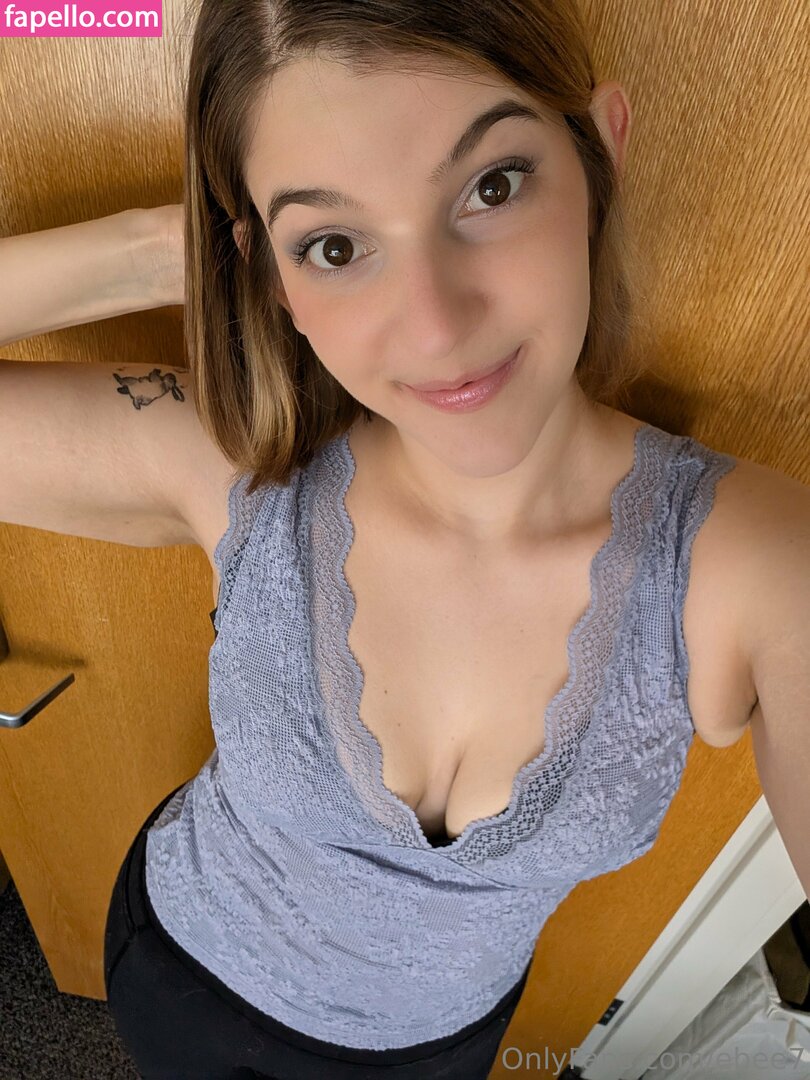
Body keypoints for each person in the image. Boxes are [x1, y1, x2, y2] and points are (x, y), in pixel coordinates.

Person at [3, 0, 806, 1077]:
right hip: (182, 970)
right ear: (271, 272)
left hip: (434, 1046)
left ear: (600, 156)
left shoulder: (753, 564)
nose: (435, 326)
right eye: (334, 245)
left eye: (492, 186)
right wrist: (163, 251)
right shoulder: (241, 470)